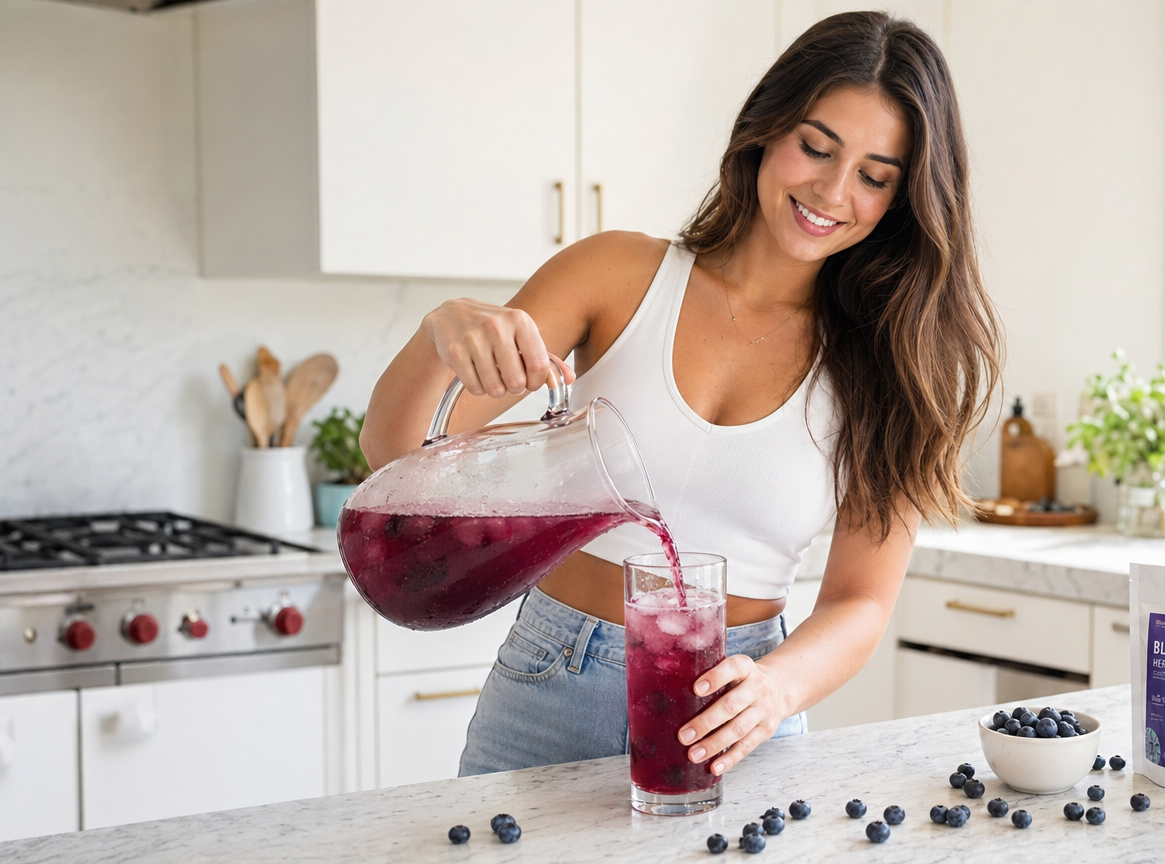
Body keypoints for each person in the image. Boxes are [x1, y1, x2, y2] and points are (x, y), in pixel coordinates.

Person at [360, 11, 1001, 779]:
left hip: (739, 710)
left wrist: (775, 688)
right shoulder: (615, 275)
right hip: (551, 682)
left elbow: (860, 602)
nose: (832, 191)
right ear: (767, 129)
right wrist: (442, 330)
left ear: (903, 197)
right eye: (816, 147)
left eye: (874, 176)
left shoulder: (892, 366)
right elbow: (393, 454)